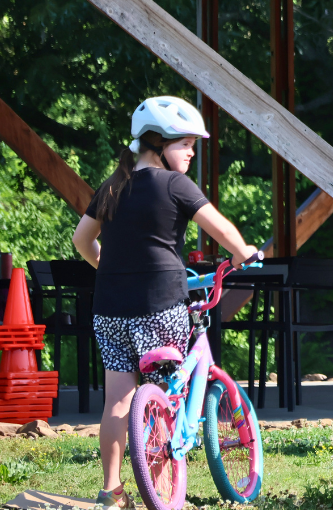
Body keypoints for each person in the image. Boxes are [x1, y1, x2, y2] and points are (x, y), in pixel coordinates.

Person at [72, 96, 259, 509]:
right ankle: (159, 488)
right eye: (186, 144)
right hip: (160, 305)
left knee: (117, 400)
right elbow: (221, 228)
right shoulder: (176, 184)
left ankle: (112, 490)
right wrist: (244, 251)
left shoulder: (111, 185)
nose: (192, 152)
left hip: (109, 308)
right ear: (158, 144)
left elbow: (81, 240)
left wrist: (106, 266)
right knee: (162, 394)